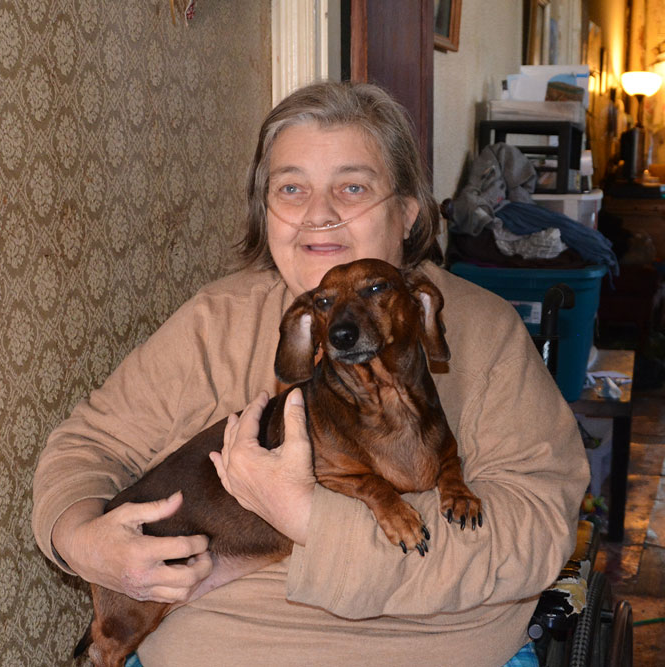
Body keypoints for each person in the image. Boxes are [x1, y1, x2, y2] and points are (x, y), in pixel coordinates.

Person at [32, 80, 589, 666]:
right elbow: (88, 446)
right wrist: (82, 541)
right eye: (291, 189)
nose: (318, 216)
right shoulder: (214, 321)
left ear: (408, 212)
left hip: (423, 649)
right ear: (265, 211)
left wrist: (309, 518)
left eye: (352, 187)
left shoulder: (486, 329)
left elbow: (536, 531)